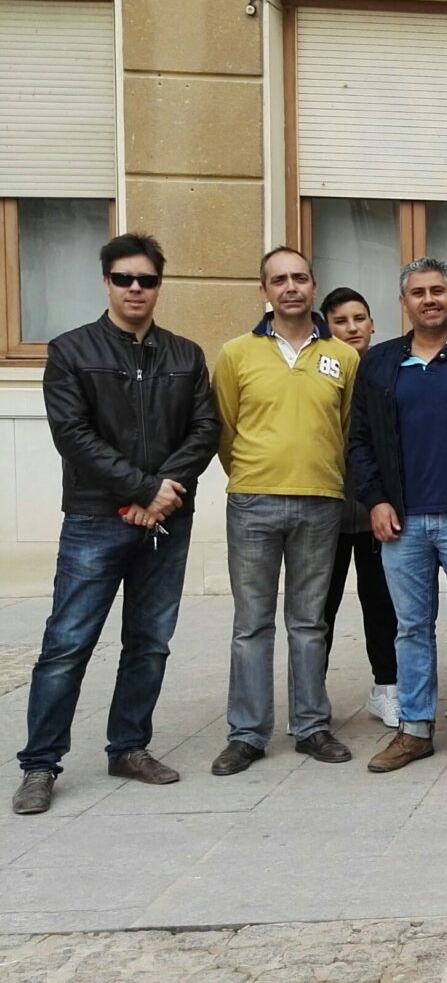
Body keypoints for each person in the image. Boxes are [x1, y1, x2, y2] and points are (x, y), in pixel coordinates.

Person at [13, 234, 219, 816]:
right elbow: (73, 436)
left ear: (159, 285)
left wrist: (162, 493)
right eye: (124, 278)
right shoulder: (71, 351)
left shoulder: (186, 355)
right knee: (67, 644)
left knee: (150, 643)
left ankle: (128, 747)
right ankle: (39, 764)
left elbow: (205, 430)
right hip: (94, 519)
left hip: (166, 522)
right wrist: (142, 488)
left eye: (147, 280)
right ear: (106, 282)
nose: (135, 289)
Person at [347, 259, 447, 774]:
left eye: (438, 290)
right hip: (402, 521)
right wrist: (374, 500)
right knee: (411, 628)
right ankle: (414, 728)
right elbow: (359, 442)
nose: (429, 299)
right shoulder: (378, 364)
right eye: (418, 292)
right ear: (404, 303)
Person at [209, 247, 361, 775]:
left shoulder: (343, 357)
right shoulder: (236, 354)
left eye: (300, 278)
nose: (290, 287)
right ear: (264, 291)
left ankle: (311, 725)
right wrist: (252, 475)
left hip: (321, 501)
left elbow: (346, 428)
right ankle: (247, 734)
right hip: (253, 500)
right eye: (279, 280)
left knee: (309, 620)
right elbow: (225, 428)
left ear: (314, 286)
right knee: (251, 623)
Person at [317, 287, 399, 729]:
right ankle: (310, 695)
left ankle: (387, 688)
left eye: (359, 319)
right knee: (319, 608)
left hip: (375, 511)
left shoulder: (388, 368)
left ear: (372, 323)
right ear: (326, 328)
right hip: (326, 511)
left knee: (381, 604)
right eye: (340, 321)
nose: (352, 328)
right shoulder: (319, 372)